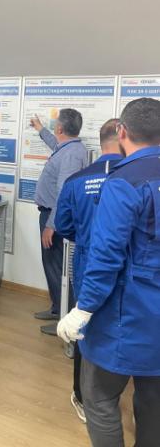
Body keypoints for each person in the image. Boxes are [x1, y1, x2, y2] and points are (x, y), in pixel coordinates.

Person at [57, 98, 160, 447]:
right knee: (153, 403)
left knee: (98, 397)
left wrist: (83, 308)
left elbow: (105, 256)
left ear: (122, 132)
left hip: (126, 314)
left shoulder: (123, 181)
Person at [55, 119, 122, 423]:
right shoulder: (136, 176)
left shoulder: (77, 180)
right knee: (120, 321)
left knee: (84, 323)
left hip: (87, 261)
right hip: (126, 265)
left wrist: (85, 237)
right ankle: (117, 392)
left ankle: (82, 396)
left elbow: (63, 225)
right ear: (124, 138)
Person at [30, 109, 88, 335]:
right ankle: (57, 308)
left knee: (58, 268)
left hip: (55, 219)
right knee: (51, 265)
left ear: (60, 128)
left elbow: (64, 192)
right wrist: (40, 128)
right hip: (51, 215)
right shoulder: (67, 147)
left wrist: (51, 225)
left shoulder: (71, 154)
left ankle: (64, 318)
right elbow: (54, 142)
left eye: (55, 124)